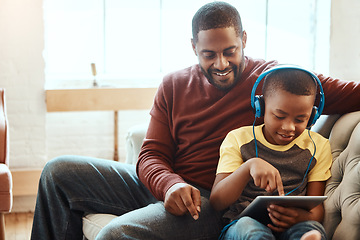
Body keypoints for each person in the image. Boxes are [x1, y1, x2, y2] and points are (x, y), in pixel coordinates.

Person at [31, 2, 360, 240]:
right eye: (209, 54)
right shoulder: (173, 84)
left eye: (230, 51)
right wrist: (170, 184)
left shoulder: (272, 82)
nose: (221, 63)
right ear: (193, 47)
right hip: (170, 185)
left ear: (244, 39)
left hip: (210, 199)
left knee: (118, 234)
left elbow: (347, 92)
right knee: (58, 172)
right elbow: (151, 156)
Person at [210, 67, 331, 240]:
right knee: (249, 228)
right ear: (261, 107)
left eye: (300, 119)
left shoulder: (318, 146)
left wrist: (304, 217)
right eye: (279, 116)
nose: (288, 127)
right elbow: (217, 201)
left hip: (291, 226)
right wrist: (248, 167)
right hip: (241, 225)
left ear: (312, 116)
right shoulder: (238, 138)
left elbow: (317, 208)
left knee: (312, 228)